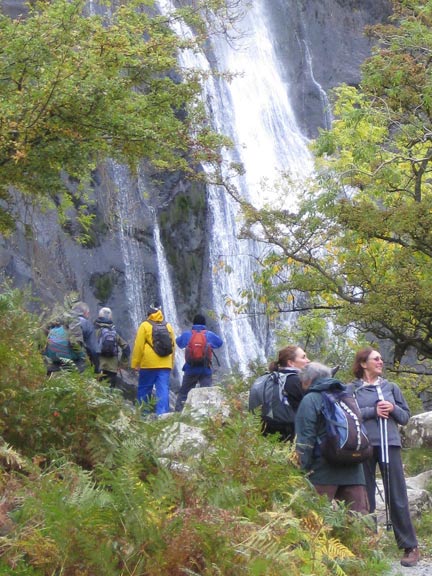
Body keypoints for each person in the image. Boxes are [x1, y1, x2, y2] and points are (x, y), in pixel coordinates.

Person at [351, 347, 419, 567]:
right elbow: (348, 415)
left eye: (381, 358)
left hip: (390, 444)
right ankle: (369, 546)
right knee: (364, 495)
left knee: (397, 494)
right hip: (364, 446)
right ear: (363, 364)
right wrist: (372, 411)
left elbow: (405, 417)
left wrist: (392, 409)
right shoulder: (351, 389)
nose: (381, 361)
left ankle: (410, 546)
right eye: (376, 359)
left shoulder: (391, 387)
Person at [295, 362, 369, 514]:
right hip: (354, 469)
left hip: (323, 471)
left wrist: (301, 472)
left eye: (302, 381)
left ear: (309, 380)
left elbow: (305, 439)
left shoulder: (311, 399)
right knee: (360, 524)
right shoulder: (347, 396)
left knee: (316, 522)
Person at [131, 304, 175, 415]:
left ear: (149, 314)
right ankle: (162, 414)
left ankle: (142, 414)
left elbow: (138, 346)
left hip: (148, 364)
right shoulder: (168, 326)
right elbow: (173, 346)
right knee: (163, 389)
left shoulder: (145, 325)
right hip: (165, 363)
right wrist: (171, 363)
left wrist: (135, 363)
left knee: (144, 389)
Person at [174, 314, 223, 412]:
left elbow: (178, 343)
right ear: (204, 324)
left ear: (193, 323)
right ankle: (207, 414)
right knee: (206, 392)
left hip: (190, 369)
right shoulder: (209, 334)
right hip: (205, 369)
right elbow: (220, 343)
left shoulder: (187, 334)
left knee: (184, 393)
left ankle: (179, 413)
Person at [94, 307, 130, 388]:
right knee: (110, 392)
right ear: (111, 317)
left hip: (97, 366)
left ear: (99, 316)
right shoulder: (115, 331)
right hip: (112, 367)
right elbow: (126, 348)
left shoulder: (94, 329)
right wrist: (122, 364)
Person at [71, 301, 99, 372]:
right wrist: (96, 369)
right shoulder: (87, 324)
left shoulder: (64, 321)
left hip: (55, 361)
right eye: (88, 313)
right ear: (85, 313)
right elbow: (93, 349)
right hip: (78, 365)